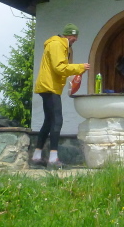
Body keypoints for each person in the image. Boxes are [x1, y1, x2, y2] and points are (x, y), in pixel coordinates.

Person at [32, 23, 89, 169]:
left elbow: (61, 68)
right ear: (68, 35)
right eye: (74, 36)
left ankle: (37, 156)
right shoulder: (57, 44)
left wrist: (75, 75)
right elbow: (59, 67)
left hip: (48, 86)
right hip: (49, 87)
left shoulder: (62, 45)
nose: (76, 39)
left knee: (49, 121)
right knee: (57, 120)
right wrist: (80, 67)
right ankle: (53, 159)